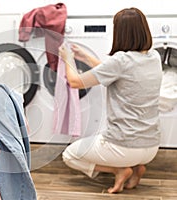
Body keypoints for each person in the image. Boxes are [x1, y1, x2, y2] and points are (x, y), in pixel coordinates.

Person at [59, 7, 163, 194]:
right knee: (127, 149)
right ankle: (137, 166)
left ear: (120, 33)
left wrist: (68, 59)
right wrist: (85, 57)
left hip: (123, 146)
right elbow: (116, 73)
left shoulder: (120, 60)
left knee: (69, 155)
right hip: (152, 146)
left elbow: (75, 82)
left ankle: (120, 169)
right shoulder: (153, 57)